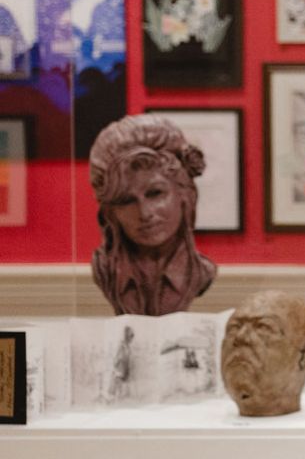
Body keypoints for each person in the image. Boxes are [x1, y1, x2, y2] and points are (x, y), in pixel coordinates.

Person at [86, 113, 216, 316]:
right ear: (111, 213)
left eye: (155, 194)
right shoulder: (105, 271)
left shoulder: (201, 273)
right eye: (127, 201)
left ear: (184, 194)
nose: (145, 213)